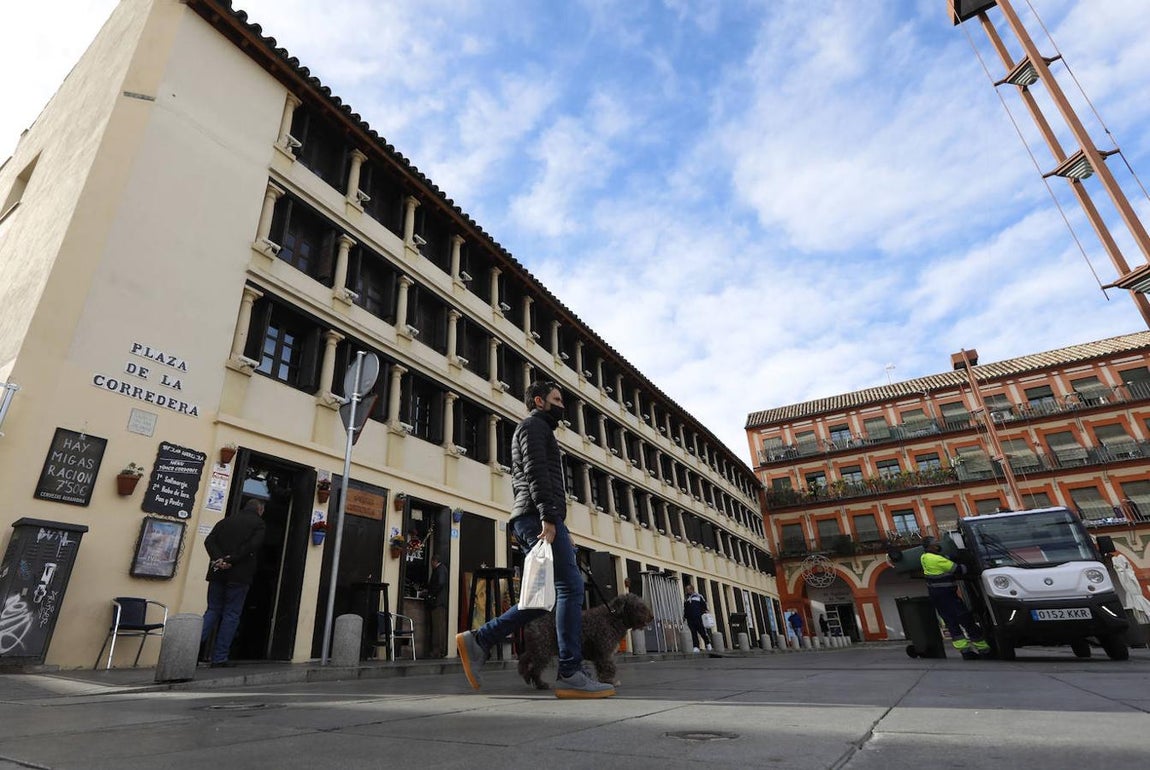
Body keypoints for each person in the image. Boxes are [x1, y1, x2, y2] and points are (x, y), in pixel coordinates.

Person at [456, 380, 615, 699]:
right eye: (557, 399)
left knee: (542, 598)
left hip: (536, 515)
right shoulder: (533, 427)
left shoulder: (539, 429)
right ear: (540, 401)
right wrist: (549, 516)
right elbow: (536, 472)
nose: (562, 406)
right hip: (536, 515)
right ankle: (570, 671)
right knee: (570, 587)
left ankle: (479, 641)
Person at [201, 498, 266, 667]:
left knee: (212, 610)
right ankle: (220, 657)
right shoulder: (258, 524)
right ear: (260, 510)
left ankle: (189, 649)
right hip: (239, 576)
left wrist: (218, 559)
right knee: (231, 615)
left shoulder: (225, 521)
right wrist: (232, 559)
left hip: (217, 573)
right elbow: (253, 545)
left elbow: (209, 541)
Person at [920, 536, 990, 660]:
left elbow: (942, 559)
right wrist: (971, 563)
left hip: (937, 596)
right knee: (966, 620)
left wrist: (951, 557)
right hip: (948, 596)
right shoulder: (937, 560)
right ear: (931, 546)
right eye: (936, 543)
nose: (938, 545)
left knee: (951, 623)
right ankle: (983, 649)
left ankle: (965, 651)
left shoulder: (924, 557)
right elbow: (959, 569)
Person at [427, 554, 449, 658]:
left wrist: (431, 594)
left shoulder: (440, 570)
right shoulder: (442, 569)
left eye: (432, 562)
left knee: (438, 627)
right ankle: (439, 650)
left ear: (434, 561)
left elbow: (440, 583)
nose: (431, 565)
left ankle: (438, 651)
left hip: (438, 602)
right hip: (440, 602)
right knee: (439, 626)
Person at [682, 584, 712, 652]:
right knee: (693, 632)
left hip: (698, 617)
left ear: (692, 589)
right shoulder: (686, 598)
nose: (687, 591)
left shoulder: (699, 596)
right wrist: (684, 616)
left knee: (702, 631)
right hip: (690, 618)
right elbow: (685, 609)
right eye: (686, 589)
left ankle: (707, 643)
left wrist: (705, 612)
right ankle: (696, 646)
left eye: (688, 589)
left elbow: (704, 605)